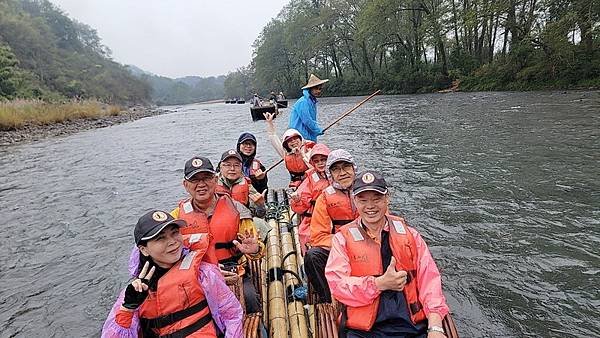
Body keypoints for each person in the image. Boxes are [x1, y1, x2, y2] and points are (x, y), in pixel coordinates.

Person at [325, 171, 450, 337]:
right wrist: (378, 284)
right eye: (363, 200)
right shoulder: (342, 239)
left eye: (376, 199)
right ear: (355, 201)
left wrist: (435, 326)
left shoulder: (411, 235)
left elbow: (430, 282)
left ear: (387, 199)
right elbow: (337, 286)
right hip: (364, 331)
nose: (370, 206)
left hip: (411, 326)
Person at [102, 210, 244, 337]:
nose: (172, 242)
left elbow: (232, 316)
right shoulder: (135, 292)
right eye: (160, 238)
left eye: (175, 233)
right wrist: (127, 309)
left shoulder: (204, 274)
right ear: (144, 249)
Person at [171, 155, 265, 314]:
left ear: (215, 179)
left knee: (251, 302)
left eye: (206, 178)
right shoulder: (175, 218)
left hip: (233, 271)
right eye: (195, 180)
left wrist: (254, 250)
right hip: (195, 276)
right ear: (186, 185)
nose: (201, 184)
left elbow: (258, 252)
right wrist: (205, 273)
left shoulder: (237, 210)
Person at [305, 149, 359, 303]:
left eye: (346, 167)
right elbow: (318, 237)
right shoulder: (324, 198)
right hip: (339, 247)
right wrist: (346, 243)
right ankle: (328, 298)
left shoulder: (367, 191)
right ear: (330, 174)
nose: (342, 173)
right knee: (312, 256)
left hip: (369, 244)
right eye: (336, 169)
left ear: (354, 168)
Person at [217, 149, 270, 240]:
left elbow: (260, 214)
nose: (232, 169)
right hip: (219, 225)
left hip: (242, 223)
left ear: (241, 168)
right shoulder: (211, 184)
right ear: (220, 167)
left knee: (260, 223)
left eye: (236, 165)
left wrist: (260, 205)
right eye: (228, 165)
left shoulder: (248, 185)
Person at [289, 143, 331, 253]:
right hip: (314, 217)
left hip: (335, 214)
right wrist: (297, 200)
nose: (321, 163)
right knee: (308, 237)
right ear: (312, 163)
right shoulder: (310, 180)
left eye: (323, 160)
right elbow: (301, 205)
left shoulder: (337, 175)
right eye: (316, 161)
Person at [264, 112, 316, 187]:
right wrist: (270, 123)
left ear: (300, 139)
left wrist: (301, 154)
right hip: (295, 183)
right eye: (290, 140)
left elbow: (316, 167)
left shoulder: (309, 149)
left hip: (311, 181)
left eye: (295, 139)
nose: (293, 142)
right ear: (286, 144)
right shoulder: (285, 153)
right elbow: (273, 137)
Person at [288, 73, 329, 142]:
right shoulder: (303, 102)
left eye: (320, 89)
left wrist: (316, 130)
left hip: (308, 136)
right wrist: (318, 130)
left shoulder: (312, 102)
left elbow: (312, 121)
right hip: (299, 137)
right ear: (310, 89)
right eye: (316, 89)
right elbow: (307, 120)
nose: (318, 91)